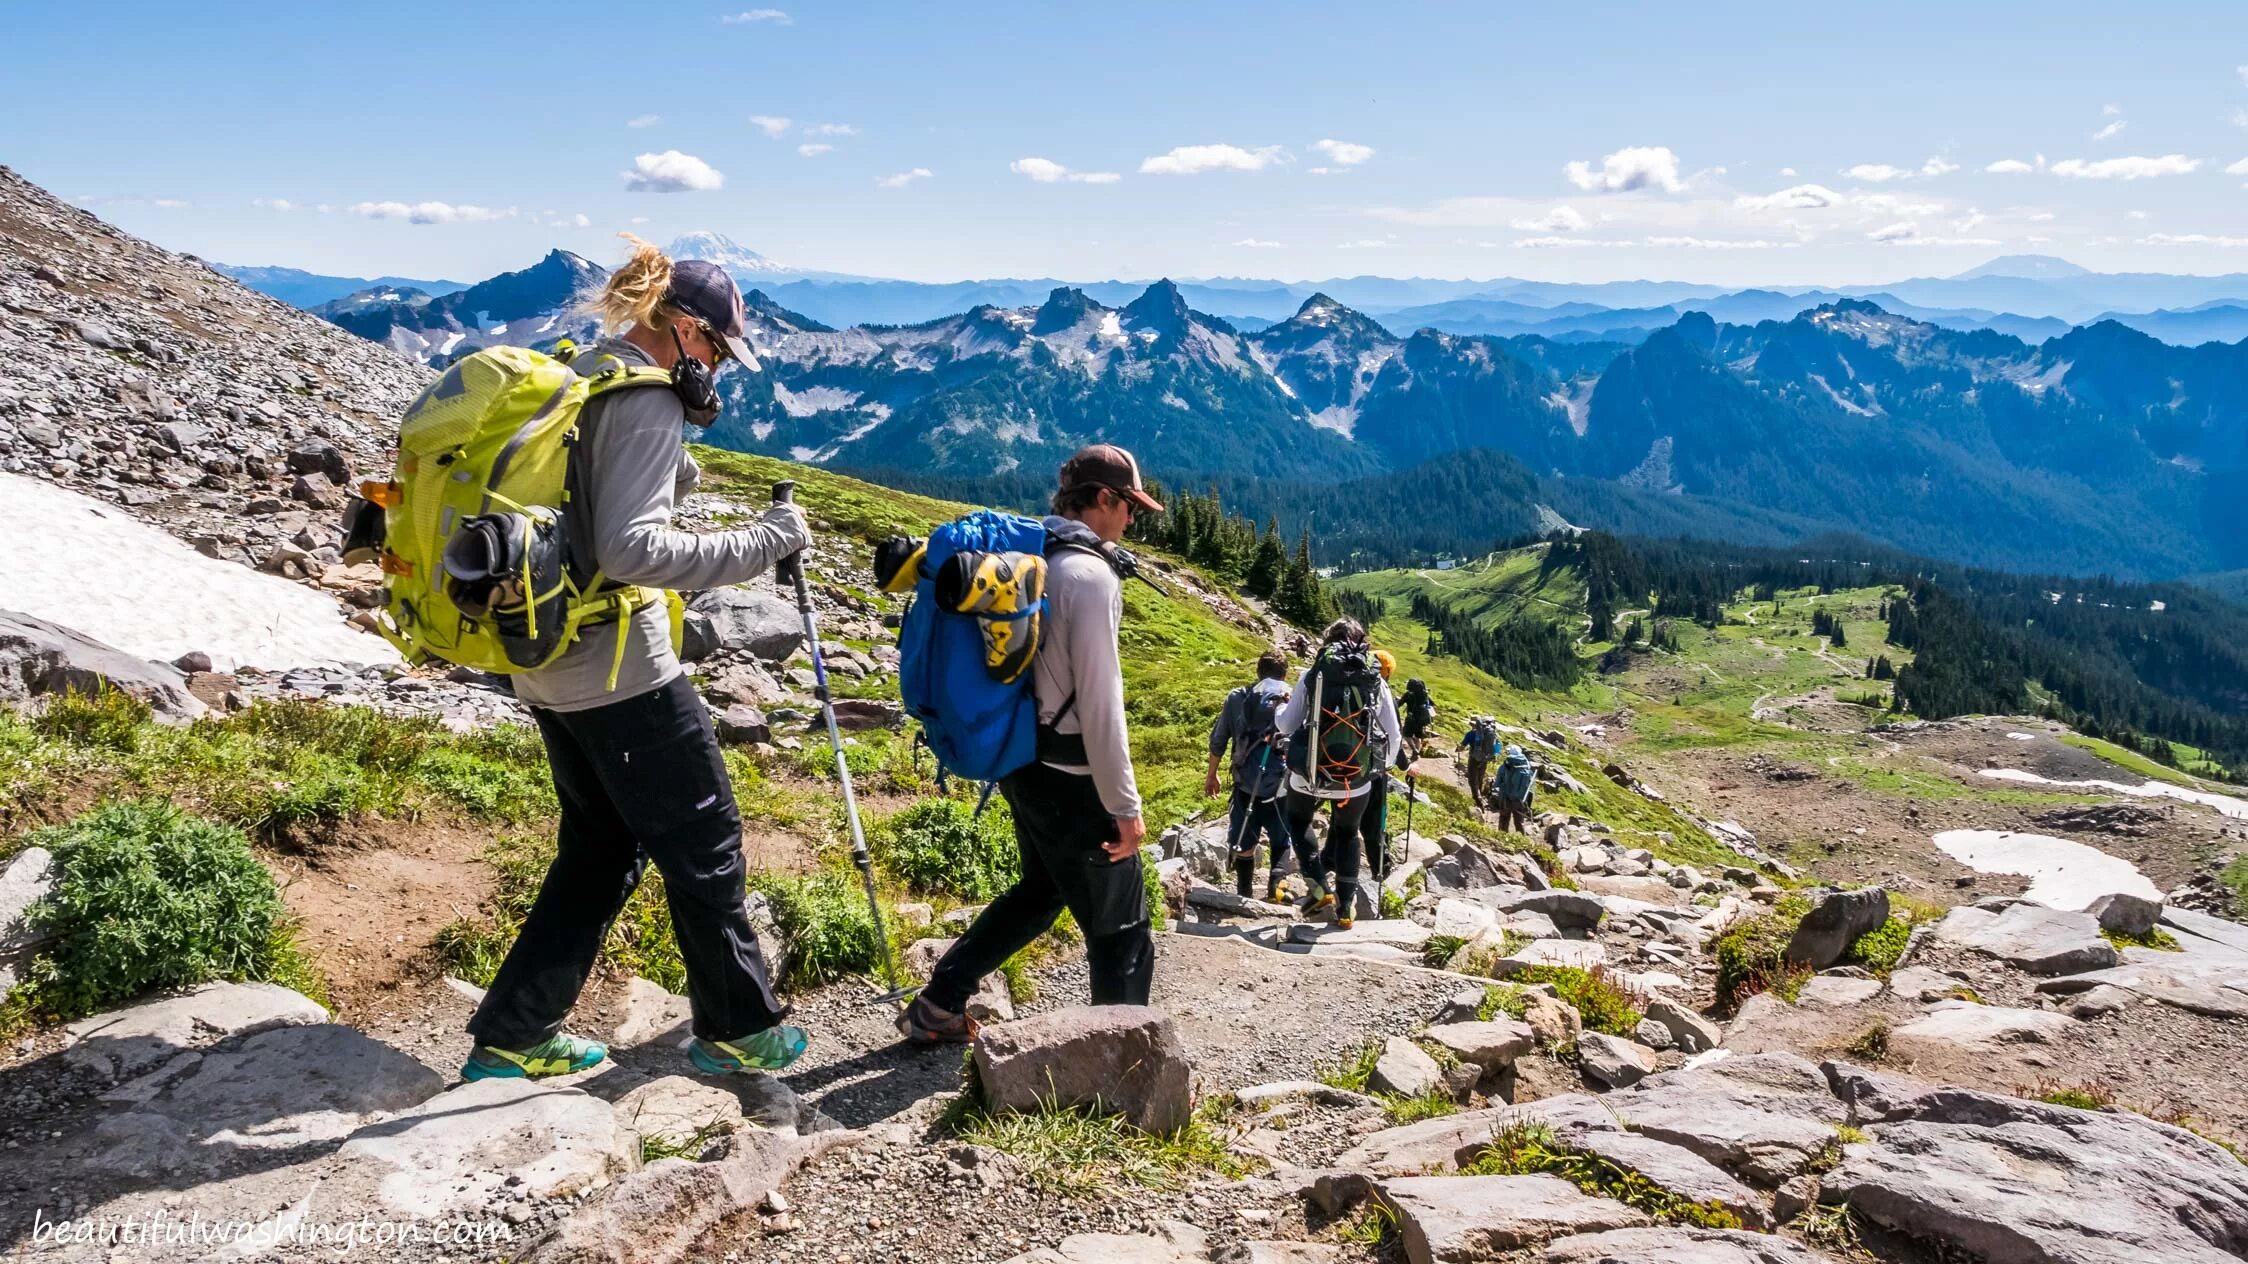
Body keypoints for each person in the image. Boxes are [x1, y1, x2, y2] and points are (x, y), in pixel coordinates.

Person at [463, 237, 813, 1081]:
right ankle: (737, 1026)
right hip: (620, 669)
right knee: (706, 837)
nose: (721, 367)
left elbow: (583, 509)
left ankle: (515, 1034)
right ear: (683, 329)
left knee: (601, 851)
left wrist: (671, 477)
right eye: (718, 348)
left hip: (550, 661)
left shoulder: (586, 371)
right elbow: (628, 550)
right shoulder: (648, 395)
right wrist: (767, 541)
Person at [900, 445, 1163, 1043]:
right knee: (1122, 931)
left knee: (1042, 891)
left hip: (1022, 760)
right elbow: (1101, 702)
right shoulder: (1090, 577)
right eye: (1129, 507)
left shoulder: (1033, 552)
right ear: (1103, 499)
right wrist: (1125, 807)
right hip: (1073, 777)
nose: (1132, 520)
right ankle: (1123, 1067)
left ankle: (939, 1006)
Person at [1277, 619, 1404, 930]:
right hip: (1356, 779)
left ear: (1327, 644)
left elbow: (1286, 726)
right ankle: (1346, 909)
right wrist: (1376, 768)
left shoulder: (1311, 676)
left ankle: (1319, 886)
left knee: (1298, 820)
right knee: (1348, 834)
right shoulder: (1375, 681)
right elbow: (1393, 735)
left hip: (1310, 773)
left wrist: (1279, 711)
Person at [1207, 650, 1294, 900]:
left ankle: (1244, 895)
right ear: (1284, 674)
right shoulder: (1292, 698)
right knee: (1282, 837)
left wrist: (1212, 775)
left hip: (1244, 781)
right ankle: (1276, 887)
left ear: (1258, 672)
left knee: (1243, 838)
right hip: (1281, 784)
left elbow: (1218, 740)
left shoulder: (1238, 697)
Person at [1493, 743, 1537, 834]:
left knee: (1504, 819)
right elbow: (1531, 787)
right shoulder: (1527, 767)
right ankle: (1521, 841)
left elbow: (1497, 783)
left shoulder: (1505, 766)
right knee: (1519, 822)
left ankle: (1502, 837)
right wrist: (1528, 803)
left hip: (1506, 798)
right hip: (1520, 800)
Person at [1459, 715, 1500, 809]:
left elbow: (1462, 747)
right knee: (1480, 778)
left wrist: (1458, 749)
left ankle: (1478, 800)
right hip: (1485, 759)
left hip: (1474, 759)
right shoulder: (1490, 733)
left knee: (1473, 780)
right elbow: (1496, 746)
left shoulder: (1471, 734)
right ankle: (1480, 795)